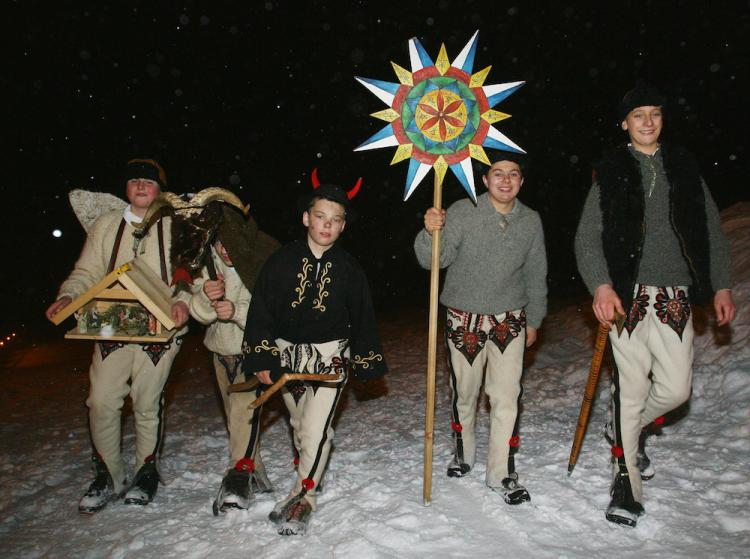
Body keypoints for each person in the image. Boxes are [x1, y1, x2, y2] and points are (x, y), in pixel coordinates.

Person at [574, 82, 736, 527]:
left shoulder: (683, 167)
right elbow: (587, 238)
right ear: (624, 123)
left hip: (673, 298)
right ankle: (625, 484)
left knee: (676, 389)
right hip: (625, 297)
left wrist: (721, 285)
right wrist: (601, 286)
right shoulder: (610, 170)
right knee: (630, 388)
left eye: (655, 114)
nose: (648, 121)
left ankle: (624, 429)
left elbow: (710, 231)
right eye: (639, 114)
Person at [45, 158, 191, 513]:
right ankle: (109, 474)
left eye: (149, 181)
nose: (141, 186)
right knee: (101, 399)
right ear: (125, 188)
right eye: (134, 181)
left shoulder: (175, 225)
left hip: (160, 327)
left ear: (160, 189)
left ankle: (146, 470)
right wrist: (68, 294)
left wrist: (183, 302)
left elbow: (190, 272)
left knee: (146, 399)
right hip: (115, 323)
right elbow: (86, 271)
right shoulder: (106, 226)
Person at [241, 183, 387, 536]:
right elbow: (261, 310)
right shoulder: (280, 261)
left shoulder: (350, 269)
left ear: (343, 226)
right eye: (321, 217)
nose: (327, 225)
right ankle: (310, 475)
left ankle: (302, 497)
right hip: (287, 357)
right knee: (299, 425)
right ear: (306, 218)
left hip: (330, 358)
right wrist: (262, 355)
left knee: (316, 429)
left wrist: (365, 362)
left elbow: (363, 317)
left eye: (336, 220)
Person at [414, 154, 547, 505]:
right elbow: (432, 261)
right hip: (464, 320)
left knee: (506, 396)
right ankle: (464, 452)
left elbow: (536, 273)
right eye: (498, 173)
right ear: (485, 180)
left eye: (514, 174)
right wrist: (429, 232)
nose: (506, 180)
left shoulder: (531, 221)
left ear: (522, 181)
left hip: (509, 321)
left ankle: (501, 471)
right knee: (466, 393)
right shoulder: (461, 211)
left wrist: (534, 319)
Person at [187, 206, 280, 513]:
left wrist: (236, 312)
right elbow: (196, 313)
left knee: (245, 411)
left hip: (251, 350)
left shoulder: (256, 261)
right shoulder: (205, 263)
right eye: (219, 244)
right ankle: (258, 475)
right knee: (236, 418)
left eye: (231, 243)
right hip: (219, 351)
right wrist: (205, 298)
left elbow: (270, 310)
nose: (226, 251)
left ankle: (237, 478)